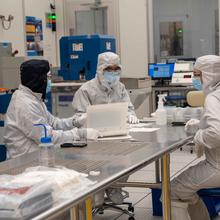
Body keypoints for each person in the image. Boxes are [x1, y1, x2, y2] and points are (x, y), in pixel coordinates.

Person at [4, 59, 100, 159]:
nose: (50, 81)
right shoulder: (25, 104)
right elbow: (46, 136)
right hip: (23, 163)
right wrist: (79, 134)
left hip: (37, 159)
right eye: (48, 77)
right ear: (38, 79)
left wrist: (75, 122)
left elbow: (53, 123)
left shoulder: (34, 98)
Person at [170, 55, 220, 220]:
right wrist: (201, 123)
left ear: (209, 74)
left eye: (197, 73)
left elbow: (216, 134)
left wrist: (197, 135)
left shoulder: (213, 97)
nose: (194, 78)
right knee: (184, 191)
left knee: (172, 191)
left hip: (217, 166)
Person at [72, 52, 139, 127]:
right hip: (94, 134)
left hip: (118, 131)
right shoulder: (85, 90)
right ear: (100, 70)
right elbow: (79, 119)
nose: (113, 73)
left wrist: (130, 115)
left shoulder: (120, 88)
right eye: (109, 70)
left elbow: (128, 108)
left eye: (116, 69)